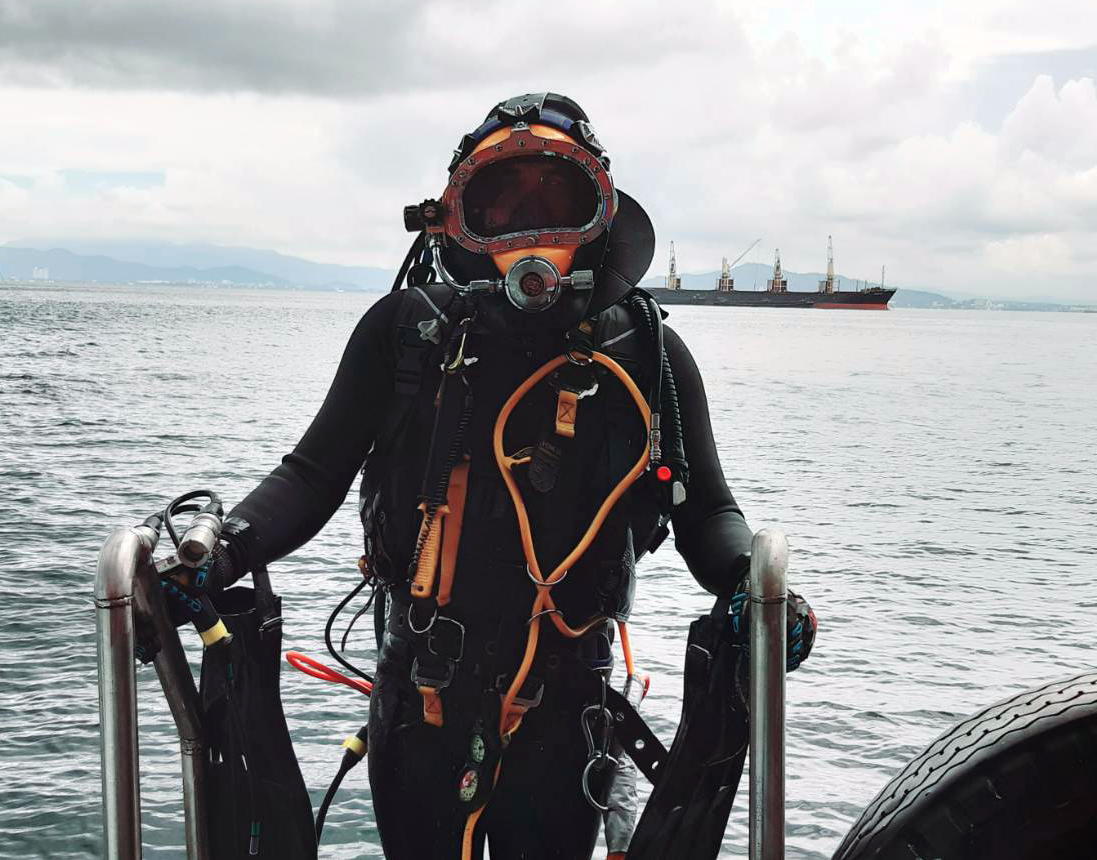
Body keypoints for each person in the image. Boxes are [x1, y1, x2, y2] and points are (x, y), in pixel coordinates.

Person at [185, 92, 813, 860]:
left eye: (557, 201)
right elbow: (311, 477)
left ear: (602, 218)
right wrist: (221, 549)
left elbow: (707, 514)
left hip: (568, 708)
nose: (532, 236)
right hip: (420, 697)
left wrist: (758, 586)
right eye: (501, 207)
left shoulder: (646, 353)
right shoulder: (406, 337)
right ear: (460, 226)